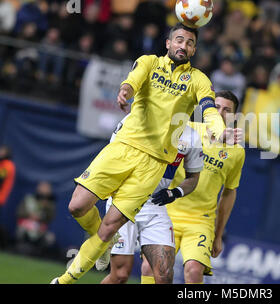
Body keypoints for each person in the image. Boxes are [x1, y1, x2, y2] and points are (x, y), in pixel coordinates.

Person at [51, 23, 242, 284]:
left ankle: (63, 280)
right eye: (179, 40)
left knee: (154, 270)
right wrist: (125, 91)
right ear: (168, 43)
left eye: (189, 43)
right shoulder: (149, 62)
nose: (183, 46)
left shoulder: (198, 82)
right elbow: (132, 80)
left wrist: (220, 132)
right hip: (124, 148)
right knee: (77, 206)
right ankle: (102, 241)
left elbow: (208, 109)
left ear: (195, 49)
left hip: (152, 168)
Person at [143, 91, 246, 284]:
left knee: (194, 271)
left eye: (227, 110)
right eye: (215, 107)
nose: (220, 113)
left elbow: (229, 192)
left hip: (200, 221)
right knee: (150, 267)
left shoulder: (237, 151)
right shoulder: (187, 130)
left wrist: (218, 235)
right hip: (167, 213)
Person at [99, 118, 204, 284]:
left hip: (156, 206)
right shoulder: (137, 117)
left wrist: (175, 192)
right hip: (124, 200)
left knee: (164, 275)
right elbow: (111, 154)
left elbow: (193, 178)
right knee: (119, 276)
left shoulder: (191, 136)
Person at [15, 181, 56, 257]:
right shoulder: (29, 199)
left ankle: (40, 255)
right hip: (26, 226)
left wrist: (45, 207)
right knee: (21, 232)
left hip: (40, 229)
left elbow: (50, 218)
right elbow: (19, 213)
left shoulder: (49, 204)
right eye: (42, 189)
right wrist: (30, 215)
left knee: (50, 238)